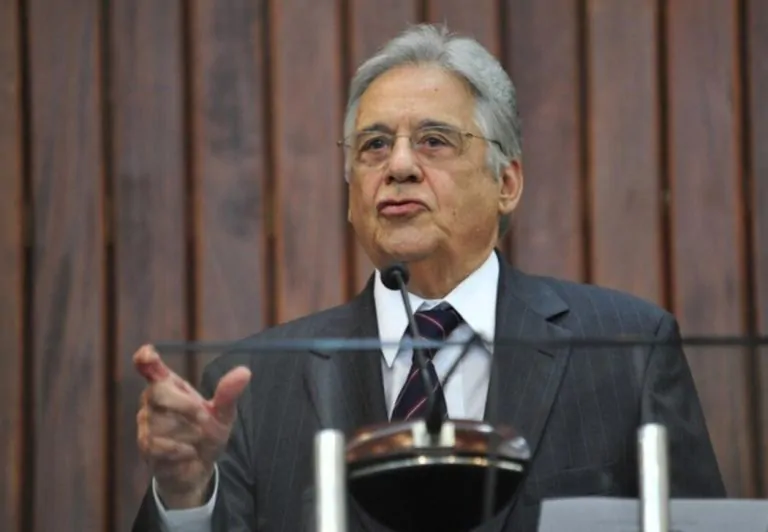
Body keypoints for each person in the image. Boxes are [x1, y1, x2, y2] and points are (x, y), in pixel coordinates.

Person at [131, 23, 724, 532]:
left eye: (434, 141)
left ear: (506, 183)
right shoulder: (253, 385)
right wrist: (185, 495)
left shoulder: (627, 349)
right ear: (351, 196)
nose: (399, 166)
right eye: (373, 145)